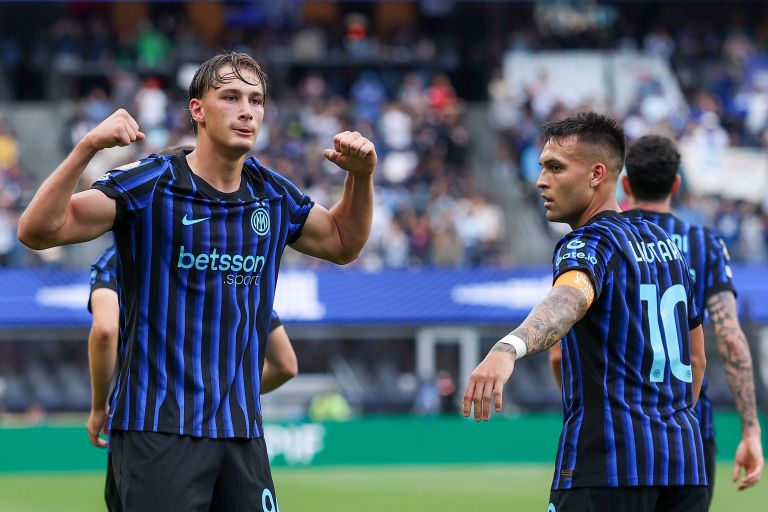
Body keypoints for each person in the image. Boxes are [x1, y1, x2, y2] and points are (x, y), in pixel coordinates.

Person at [18, 51, 376, 511]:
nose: (247, 110)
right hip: (157, 431)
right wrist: (86, 148)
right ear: (197, 110)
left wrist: (361, 178)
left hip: (242, 433)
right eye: (230, 97)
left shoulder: (273, 194)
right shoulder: (150, 185)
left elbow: (344, 243)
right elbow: (38, 230)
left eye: (256, 100)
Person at [462, 112, 708, 511]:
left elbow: (570, 297)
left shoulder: (587, 243)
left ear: (596, 174)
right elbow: (697, 358)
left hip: (607, 466)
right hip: (684, 466)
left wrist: (508, 348)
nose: (541, 180)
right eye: (542, 167)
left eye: (555, 168)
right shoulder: (668, 247)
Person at [622, 135, 763, 499]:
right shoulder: (704, 242)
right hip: (690, 428)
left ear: (625, 184)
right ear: (676, 185)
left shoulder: (606, 239)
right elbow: (731, 338)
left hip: (621, 429)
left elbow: (561, 351)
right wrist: (751, 432)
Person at [86, 245, 299, 449]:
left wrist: (98, 407)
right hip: (231, 429)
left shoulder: (122, 254)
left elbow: (105, 329)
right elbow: (286, 365)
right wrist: (225, 394)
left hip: (153, 424)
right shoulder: (222, 259)